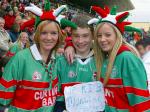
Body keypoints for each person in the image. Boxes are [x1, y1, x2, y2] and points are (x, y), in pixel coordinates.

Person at [0, 4, 64, 112]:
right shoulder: (21, 58)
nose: (49, 38)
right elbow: (3, 99)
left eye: (53, 33)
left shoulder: (59, 60)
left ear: (59, 36)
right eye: (44, 33)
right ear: (37, 35)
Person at [91, 6, 150, 111]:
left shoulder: (127, 58)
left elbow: (140, 101)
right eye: (99, 35)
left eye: (107, 35)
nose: (102, 39)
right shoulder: (104, 58)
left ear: (117, 36)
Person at [54, 14, 97, 112]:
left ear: (93, 35)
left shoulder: (101, 60)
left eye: (85, 36)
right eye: (76, 36)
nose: (80, 41)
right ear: (71, 36)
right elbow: (57, 96)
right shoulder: (61, 62)